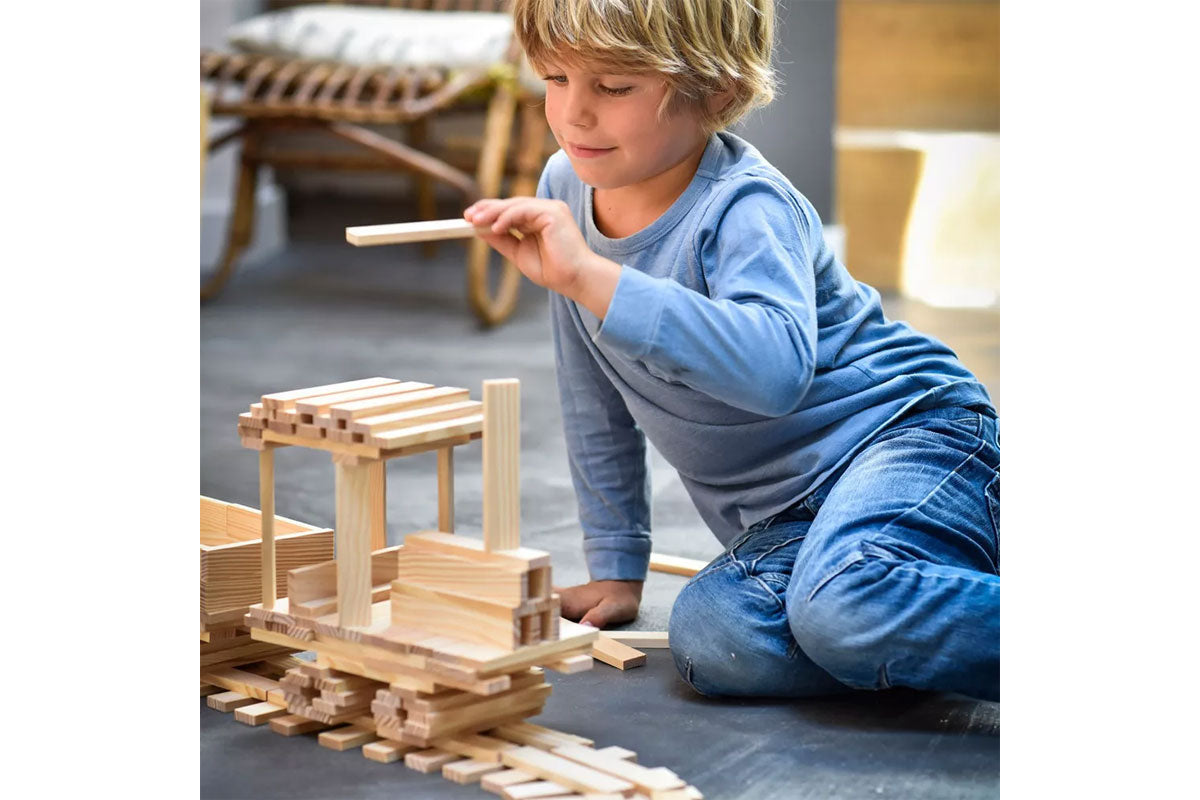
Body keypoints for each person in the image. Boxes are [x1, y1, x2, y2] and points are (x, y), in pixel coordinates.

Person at [463, 0, 999, 702]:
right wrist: (617, 563)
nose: (573, 114)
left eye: (615, 86)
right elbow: (590, 391)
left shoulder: (747, 207)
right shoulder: (565, 188)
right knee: (717, 637)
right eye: (555, 78)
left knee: (843, 604)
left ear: (715, 91)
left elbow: (774, 373)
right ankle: (902, 598)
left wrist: (591, 276)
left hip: (906, 438)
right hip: (788, 521)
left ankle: (907, 577)